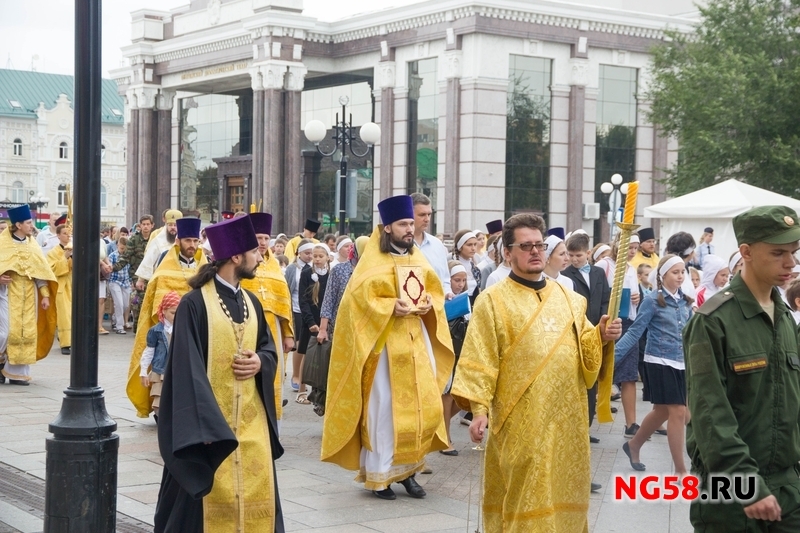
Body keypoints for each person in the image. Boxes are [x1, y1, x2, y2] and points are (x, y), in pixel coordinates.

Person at [451, 213, 621, 533]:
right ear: (508, 252)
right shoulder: (493, 301)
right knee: (524, 495)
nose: (535, 252)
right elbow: (480, 359)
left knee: (561, 489)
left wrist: (601, 335)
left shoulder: (569, 298)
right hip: (520, 422)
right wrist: (478, 411)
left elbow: (585, 346)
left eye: (539, 245)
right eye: (525, 246)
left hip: (566, 419)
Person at [153, 214, 284, 533]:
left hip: (252, 426)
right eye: (254, 251)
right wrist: (209, 425)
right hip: (209, 430)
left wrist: (260, 363)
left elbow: (268, 348)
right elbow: (186, 368)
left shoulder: (252, 302)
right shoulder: (194, 304)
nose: (260, 256)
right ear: (236, 257)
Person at [321, 195, 454, 501]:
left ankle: (409, 472)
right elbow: (355, 303)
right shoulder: (372, 263)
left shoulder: (417, 257)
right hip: (383, 349)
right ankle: (380, 477)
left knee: (418, 408)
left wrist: (427, 305)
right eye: (404, 224)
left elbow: (433, 293)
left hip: (416, 343)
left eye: (411, 223)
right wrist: (388, 306)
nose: (410, 229)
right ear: (387, 227)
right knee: (384, 410)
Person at [685, 206, 800, 532]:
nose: (790, 262)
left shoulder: (785, 318)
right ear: (746, 253)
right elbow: (710, 413)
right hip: (732, 492)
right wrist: (747, 484)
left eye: (793, 252)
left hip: (788, 488)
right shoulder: (712, 321)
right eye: (778, 253)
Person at [614, 254, 693, 474]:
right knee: (678, 410)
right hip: (658, 361)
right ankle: (680, 470)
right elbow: (635, 332)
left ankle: (634, 444)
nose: (679, 276)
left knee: (661, 412)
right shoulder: (652, 300)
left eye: (682, 272)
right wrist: (613, 358)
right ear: (663, 274)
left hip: (681, 362)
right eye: (675, 272)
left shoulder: (686, 301)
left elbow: (694, 334)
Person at [126, 217, 207, 418]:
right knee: (164, 370)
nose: (192, 245)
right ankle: (161, 409)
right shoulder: (165, 260)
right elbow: (157, 291)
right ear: (179, 241)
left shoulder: (204, 265)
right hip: (168, 328)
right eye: (188, 241)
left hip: (194, 326)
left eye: (196, 241)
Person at [240, 212, 295, 428]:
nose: (262, 243)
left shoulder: (275, 268)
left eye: (265, 238)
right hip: (248, 328)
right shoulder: (244, 264)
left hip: (274, 330)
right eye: (258, 238)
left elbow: (284, 302)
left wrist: (289, 334)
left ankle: (273, 425)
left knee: (273, 377)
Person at [560, 231, 611, 453]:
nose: (574, 259)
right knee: (581, 381)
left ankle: (587, 427)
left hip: (598, 331)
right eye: (570, 255)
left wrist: (603, 322)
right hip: (579, 333)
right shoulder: (566, 275)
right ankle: (578, 428)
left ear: (588, 253)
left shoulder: (599, 273)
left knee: (594, 383)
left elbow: (605, 298)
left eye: (578, 255)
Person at [0, 205, 57, 385]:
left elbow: (40, 272)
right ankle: (2, 362)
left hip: (29, 295)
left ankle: (18, 373)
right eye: (28, 222)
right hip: (7, 293)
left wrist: (45, 295)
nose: (31, 225)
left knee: (27, 333)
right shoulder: (3, 243)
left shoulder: (33, 244)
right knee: (7, 333)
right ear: (18, 224)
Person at [296, 244, 330, 405]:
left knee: (324, 355)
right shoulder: (306, 273)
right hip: (310, 320)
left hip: (326, 320)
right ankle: (301, 390)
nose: (316, 259)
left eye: (320, 256)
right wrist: (310, 321)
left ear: (327, 257)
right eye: (314, 256)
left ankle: (321, 391)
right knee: (305, 354)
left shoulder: (331, 273)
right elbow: (303, 299)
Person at [139, 291, 180, 418]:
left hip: (177, 369)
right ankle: (160, 417)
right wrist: (143, 371)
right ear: (163, 311)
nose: (176, 316)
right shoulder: (155, 331)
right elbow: (149, 351)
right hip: (160, 370)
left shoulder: (183, 328)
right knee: (159, 396)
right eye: (173, 313)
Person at [113, 214, 154, 331]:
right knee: (141, 299)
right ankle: (138, 328)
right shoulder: (134, 240)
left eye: (148, 224)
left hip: (153, 274)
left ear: (152, 225)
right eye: (143, 224)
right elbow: (126, 256)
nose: (145, 227)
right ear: (140, 226)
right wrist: (114, 267)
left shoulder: (155, 239)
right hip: (138, 274)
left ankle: (150, 327)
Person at [284, 239, 313, 393]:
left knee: (311, 345)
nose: (310, 256)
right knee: (299, 343)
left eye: (311, 253)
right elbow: (287, 289)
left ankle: (307, 376)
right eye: (307, 253)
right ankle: (296, 375)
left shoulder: (316, 268)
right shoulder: (292, 269)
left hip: (311, 310)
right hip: (296, 309)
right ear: (299, 253)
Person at [411, 192, 452, 297]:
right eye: (422, 215)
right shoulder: (400, 245)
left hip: (437, 307)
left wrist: (448, 292)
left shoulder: (437, 244)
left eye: (429, 214)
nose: (427, 219)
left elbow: (445, 279)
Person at [136, 209, 183, 284]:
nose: (173, 227)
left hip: (180, 278)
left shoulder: (186, 239)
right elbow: (149, 258)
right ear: (166, 225)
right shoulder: (158, 238)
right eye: (170, 225)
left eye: (175, 225)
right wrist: (141, 279)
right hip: (162, 278)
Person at [47, 222, 73, 355]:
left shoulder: (74, 248)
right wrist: (64, 258)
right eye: (64, 233)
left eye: (69, 233)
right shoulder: (53, 252)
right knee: (64, 316)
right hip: (61, 286)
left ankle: (73, 340)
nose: (67, 235)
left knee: (74, 315)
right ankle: (65, 343)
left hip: (73, 286)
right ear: (58, 235)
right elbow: (51, 269)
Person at [108, 236, 132, 334]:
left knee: (126, 305)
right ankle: (119, 326)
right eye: (121, 248)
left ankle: (115, 318)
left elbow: (130, 270)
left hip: (126, 282)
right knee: (119, 303)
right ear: (118, 245)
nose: (123, 250)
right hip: (115, 281)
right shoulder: (112, 256)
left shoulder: (128, 256)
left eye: (124, 248)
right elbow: (109, 267)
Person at [452, 229, 482, 295]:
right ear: (460, 247)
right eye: (469, 245)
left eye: (475, 244)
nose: (473, 248)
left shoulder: (475, 270)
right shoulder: (450, 266)